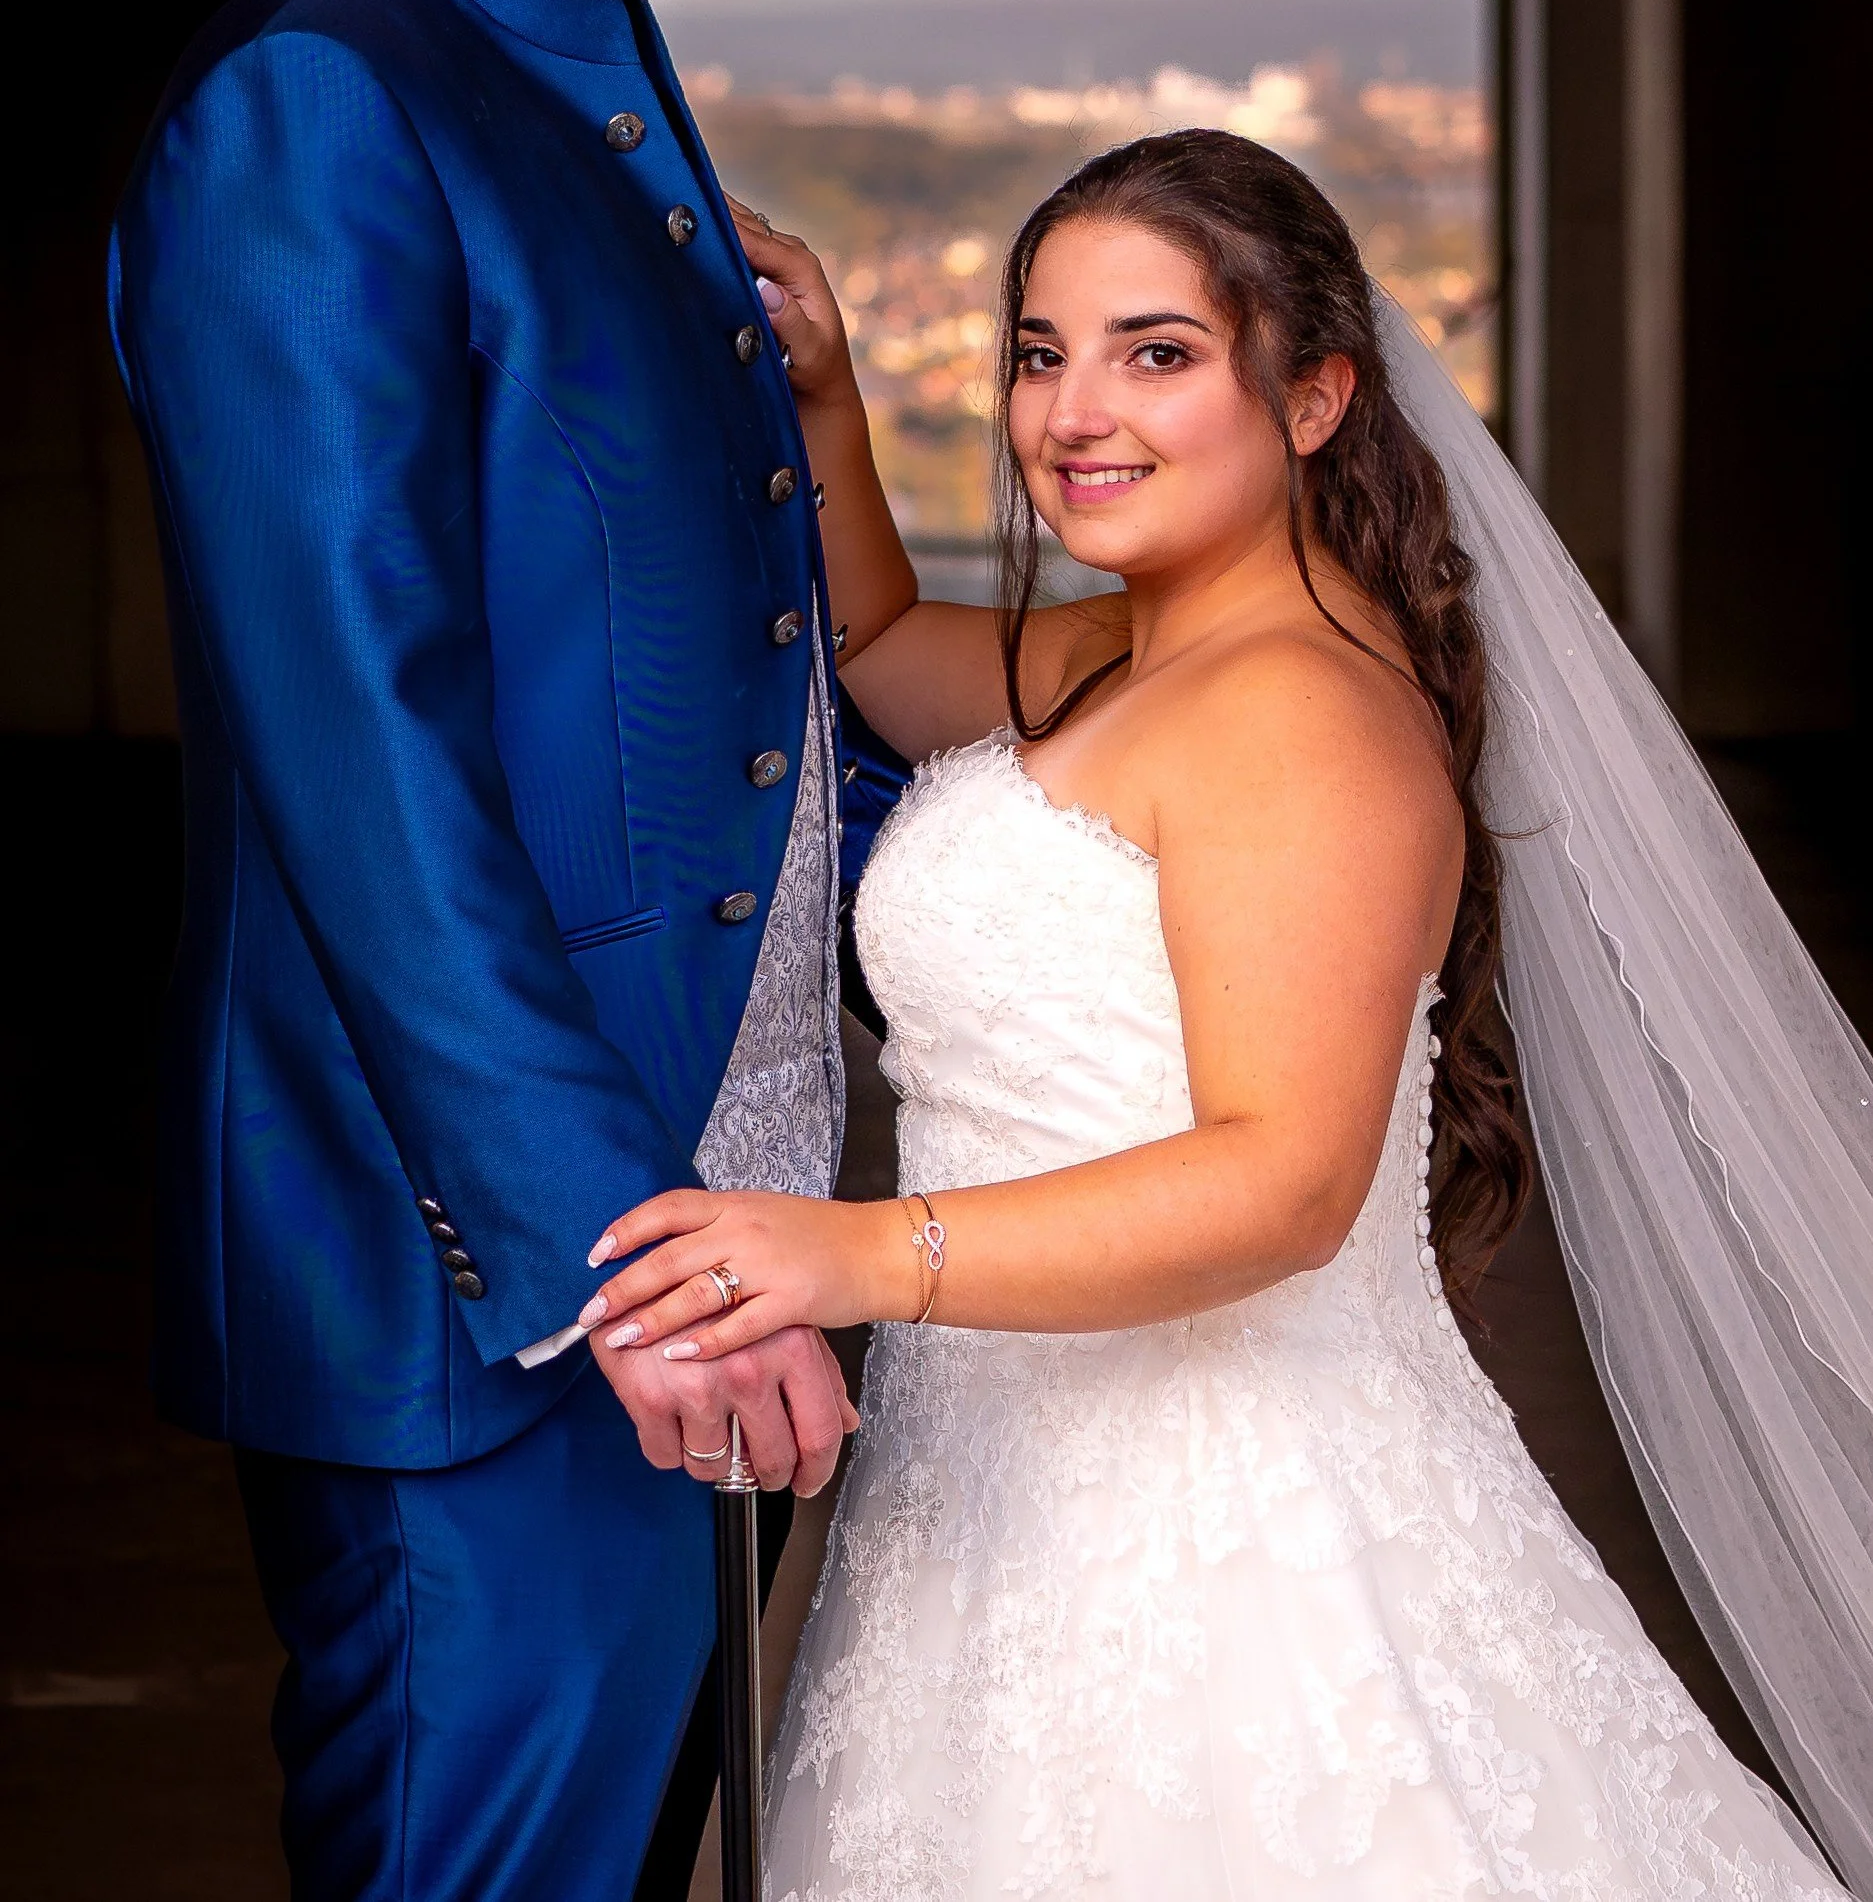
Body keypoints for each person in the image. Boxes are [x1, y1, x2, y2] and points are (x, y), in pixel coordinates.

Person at [585, 130, 1871, 1897]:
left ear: (1320, 393)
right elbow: (874, 643)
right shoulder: (1140, 650)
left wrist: (854, 1253)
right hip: (1003, 1511)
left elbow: (1285, 1181)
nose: (1073, 411)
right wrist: (826, 400)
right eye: (1042, 351)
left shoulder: (1303, 717)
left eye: (1157, 351)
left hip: (1232, 1545)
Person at [108, 0, 891, 1902]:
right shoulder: (324, 100)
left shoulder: (590, 59)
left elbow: (704, 675)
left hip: (704, 1233)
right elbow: (367, 751)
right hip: (512, 1298)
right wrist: (620, 1272)